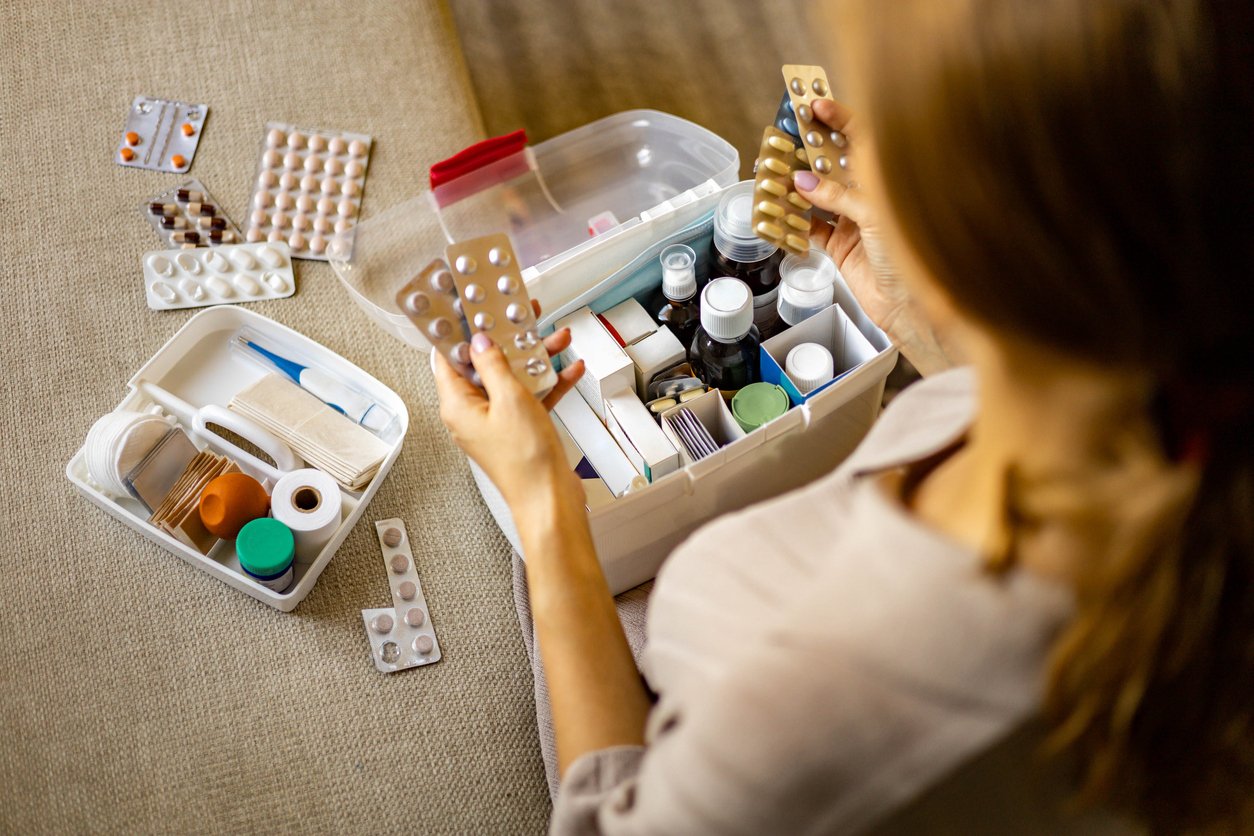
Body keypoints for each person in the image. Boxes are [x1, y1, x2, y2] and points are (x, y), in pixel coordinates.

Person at [433, 0, 1253, 831]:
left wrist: (545, 506)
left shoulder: (816, 714)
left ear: (961, 244)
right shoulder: (1180, 420)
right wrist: (920, 327)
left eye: (890, 133)